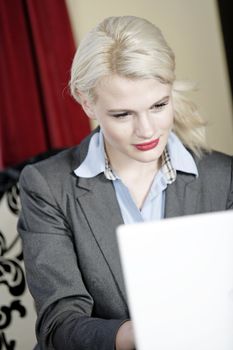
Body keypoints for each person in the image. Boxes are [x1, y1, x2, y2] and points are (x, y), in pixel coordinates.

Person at [17, 15, 233, 350]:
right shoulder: (47, 186)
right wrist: (145, 333)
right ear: (86, 101)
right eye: (123, 114)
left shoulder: (225, 177)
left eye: (159, 105)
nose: (147, 130)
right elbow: (59, 324)